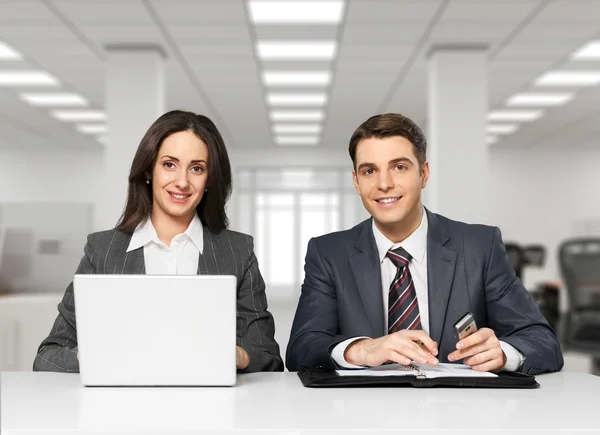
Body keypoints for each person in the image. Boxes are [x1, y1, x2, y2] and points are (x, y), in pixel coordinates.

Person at [286, 113, 563, 375]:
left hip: (459, 415)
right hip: (365, 414)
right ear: (356, 181)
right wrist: (360, 350)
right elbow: (301, 349)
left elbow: (542, 341)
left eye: (399, 167)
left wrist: (503, 353)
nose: (384, 183)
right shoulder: (329, 254)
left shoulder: (480, 247)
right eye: (369, 171)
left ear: (424, 174)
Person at [34, 110, 283, 373]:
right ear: (148, 170)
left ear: (209, 179)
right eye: (169, 164)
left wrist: (236, 355)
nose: (182, 182)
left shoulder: (237, 252)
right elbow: (47, 357)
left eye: (196, 168)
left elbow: (269, 358)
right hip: (120, 406)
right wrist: (94, 354)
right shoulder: (103, 251)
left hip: (213, 406)